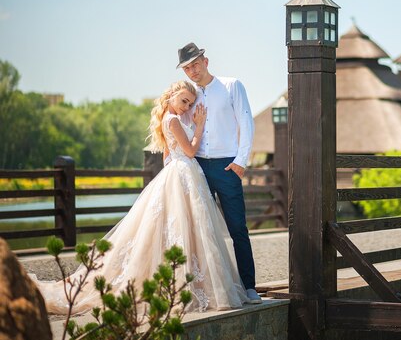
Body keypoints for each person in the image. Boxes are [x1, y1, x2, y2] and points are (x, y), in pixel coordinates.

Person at [33, 80, 249, 314]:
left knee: (186, 228)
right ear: (171, 96)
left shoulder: (169, 118)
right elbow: (190, 151)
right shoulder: (174, 120)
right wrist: (199, 125)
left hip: (181, 173)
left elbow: (168, 154)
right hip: (183, 170)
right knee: (183, 228)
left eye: (189, 103)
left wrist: (174, 173)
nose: (187, 107)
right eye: (184, 101)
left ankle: (190, 283)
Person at [176, 42, 261, 304]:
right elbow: (178, 124)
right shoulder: (188, 95)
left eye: (195, 64)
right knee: (201, 230)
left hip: (227, 166)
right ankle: (208, 291)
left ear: (206, 61)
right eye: (186, 68)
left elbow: (246, 122)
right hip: (198, 166)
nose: (192, 71)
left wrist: (241, 162)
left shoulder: (232, 86)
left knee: (238, 228)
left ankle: (249, 287)